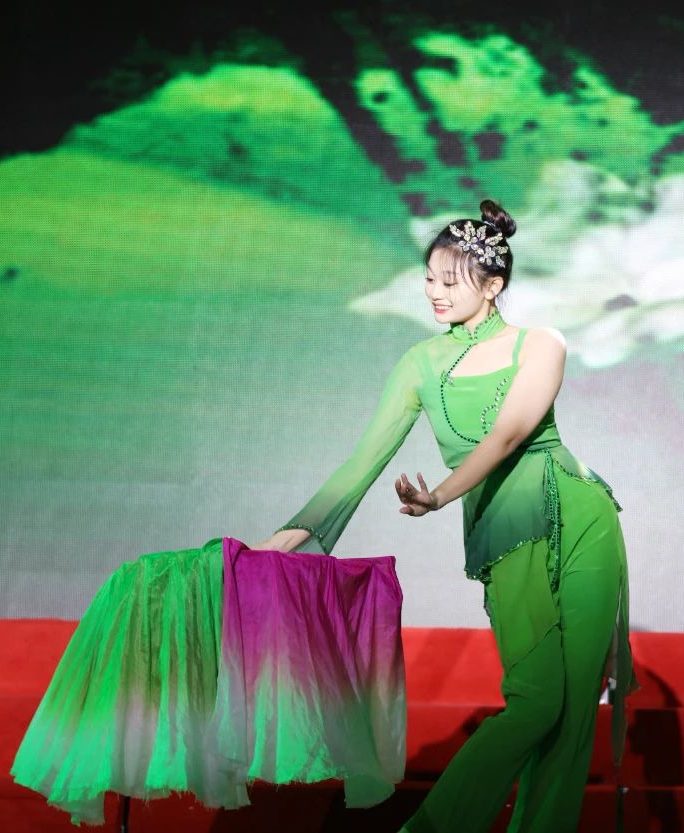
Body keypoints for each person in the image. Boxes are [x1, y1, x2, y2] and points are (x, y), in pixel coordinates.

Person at [255, 199, 638, 833]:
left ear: (493, 285)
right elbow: (362, 463)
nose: (435, 292)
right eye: (430, 278)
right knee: (537, 701)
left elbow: (510, 434)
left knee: (573, 716)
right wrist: (279, 543)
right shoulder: (420, 364)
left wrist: (439, 494)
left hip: (583, 515)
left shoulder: (541, 343)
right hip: (507, 530)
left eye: (450, 281)